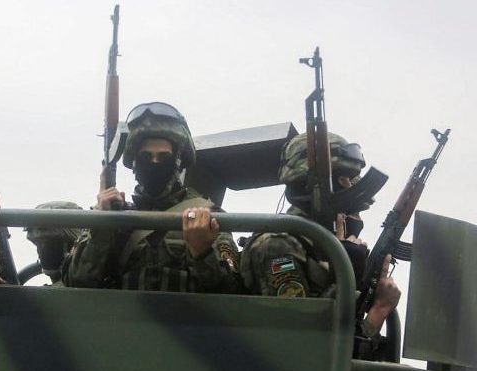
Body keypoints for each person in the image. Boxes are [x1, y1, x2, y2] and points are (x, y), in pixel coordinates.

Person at [240, 132, 401, 356]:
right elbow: (302, 349)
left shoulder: (318, 244)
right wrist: (377, 307)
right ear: (313, 184)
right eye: (343, 178)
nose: (350, 187)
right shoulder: (279, 245)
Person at [64, 102, 240, 293]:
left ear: (178, 162)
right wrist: (102, 227)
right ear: (134, 162)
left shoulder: (207, 216)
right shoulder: (111, 216)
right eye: (146, 156)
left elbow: (233, 291)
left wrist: (202, 253)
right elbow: (76, 283)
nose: (154, 163)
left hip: (188, 321)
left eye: (164, 157)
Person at [25, 201, 83, 285]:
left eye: (50, 244)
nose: (40, 252)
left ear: (72, 247)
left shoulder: (83, 280)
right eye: (38, 244)